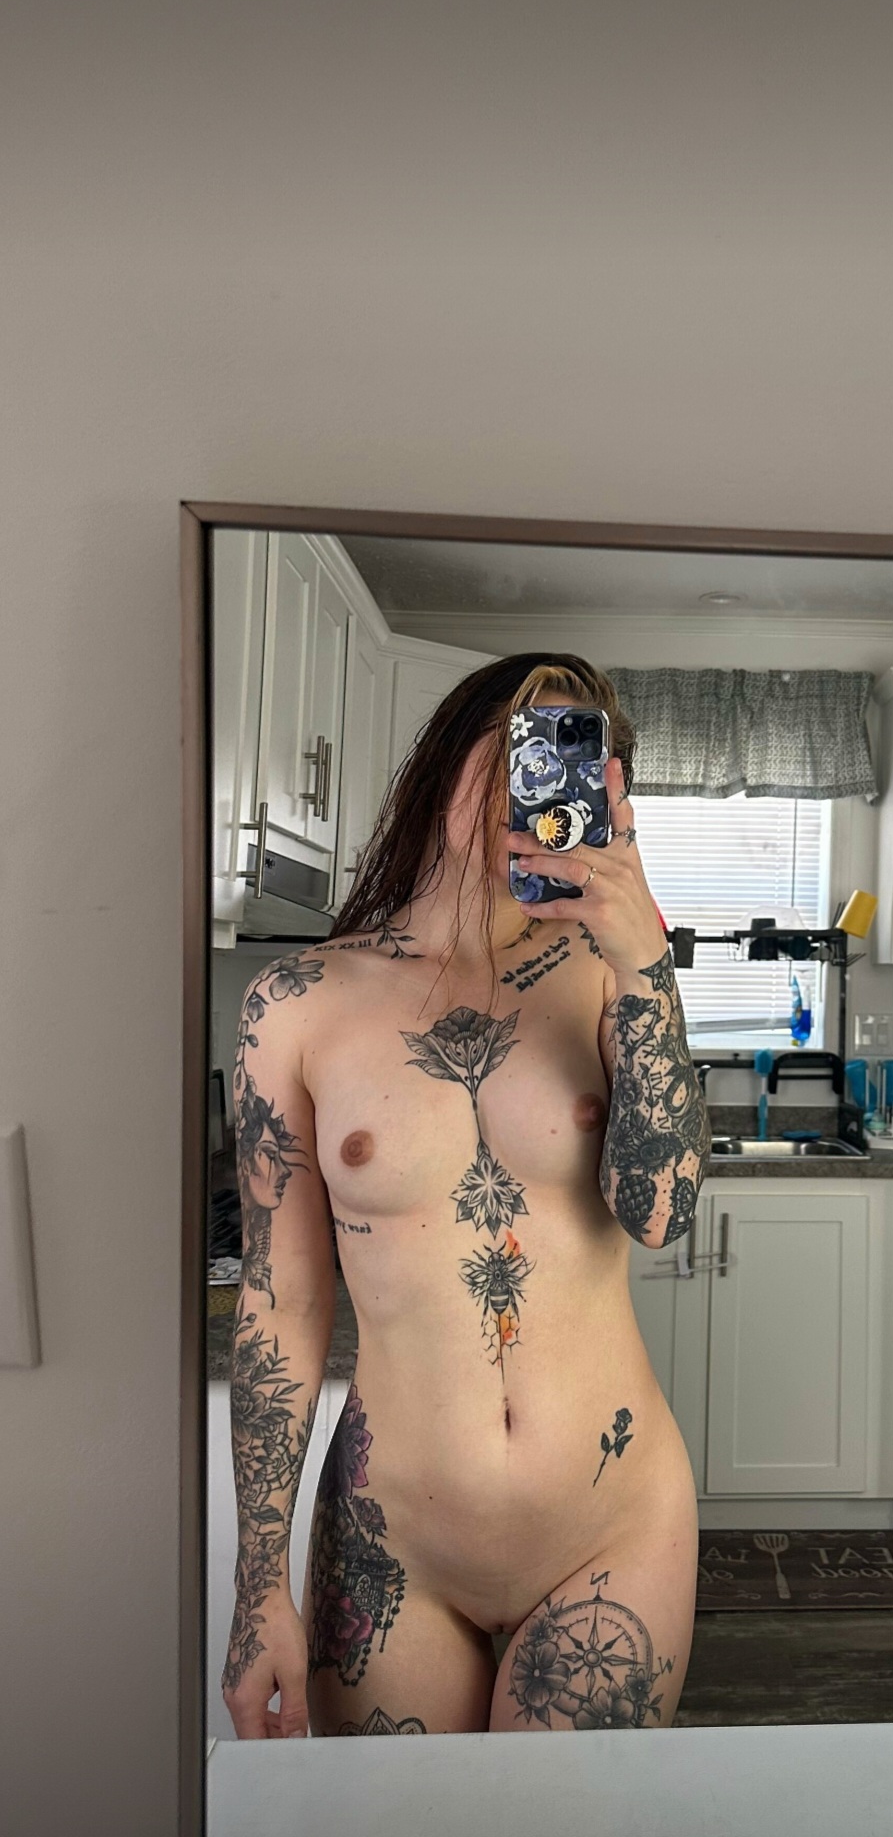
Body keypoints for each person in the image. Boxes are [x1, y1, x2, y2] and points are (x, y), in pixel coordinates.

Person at [222, 652, 711, 1739]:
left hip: (609, 1528)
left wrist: (646, 962)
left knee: (559, 1820)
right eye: (519, 749)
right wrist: (258, 1585)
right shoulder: (296, 1004)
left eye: (569, 763)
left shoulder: (608, 974)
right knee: (397, 1819)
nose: (532, 789)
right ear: (450, 759)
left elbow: (661, 1213)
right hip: (389, 1541)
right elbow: (281, 1299)